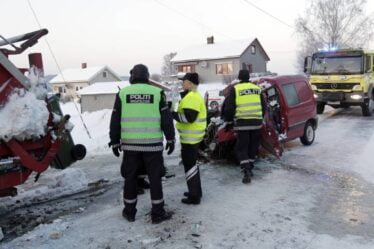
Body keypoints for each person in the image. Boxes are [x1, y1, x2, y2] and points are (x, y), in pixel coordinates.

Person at [109, 64, 175, 224]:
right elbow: (166, 118)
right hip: (153, 145)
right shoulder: (157, 92)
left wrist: (115, 141)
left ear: (132, 77)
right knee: (155, 179)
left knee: (130, 178)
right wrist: (171, 138)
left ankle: (129, 212)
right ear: (147, 77)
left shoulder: (123, 93)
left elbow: (115, 119)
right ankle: (158, 213)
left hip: (130, 146)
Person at [223, 69, 265, 184]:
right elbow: (264, 106)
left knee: (241, 147)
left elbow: (229, 107)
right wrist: (261, 118)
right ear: (249, 77)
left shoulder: (236, 89)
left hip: (242, 124)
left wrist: (229, 121)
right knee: (252, 146)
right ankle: (250, 166)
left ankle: (246, 170)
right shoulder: (257, 89)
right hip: (257, 123)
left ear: (239, 78)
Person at [172, 73, 206, 205]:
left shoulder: (192, 97)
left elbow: (188, 118)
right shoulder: (192, 95)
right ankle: (196, 191)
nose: (182, 83)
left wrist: (172, 114)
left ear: (190, 83)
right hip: (192, 138)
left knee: (190, 166)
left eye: (184, 81)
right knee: (192, 165)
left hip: (190, 139)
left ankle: (194, 196)